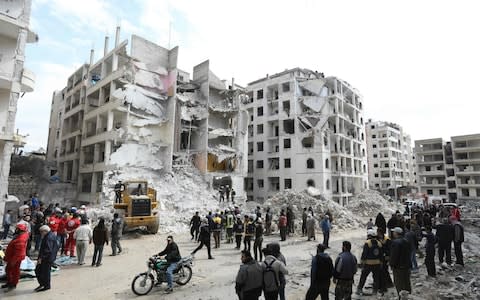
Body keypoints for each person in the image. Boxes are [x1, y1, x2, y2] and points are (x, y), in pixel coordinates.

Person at [2, 223, 29, 292]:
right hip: (14, 257)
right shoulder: (21, 236)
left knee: (14, 271)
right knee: (9, 270)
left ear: (20, 230)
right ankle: (10, 282)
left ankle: (12, 284)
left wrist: (13, 261)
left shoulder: (20, 240)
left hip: (15, 258)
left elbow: (18, 253)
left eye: (17, 229)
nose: (15, 230)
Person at [356, 229, 383, 296]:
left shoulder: (367, 243)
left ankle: (359, 289)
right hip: (377, 263)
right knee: (376, 278)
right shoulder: (379, 243)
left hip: (368, 264)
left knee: (363, 277)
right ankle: (375, 291)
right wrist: (381, 262)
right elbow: (381, 254)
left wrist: (362, 262)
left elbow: (364, 254)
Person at [35, 225, 59, 292]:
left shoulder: (49, 237)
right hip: (48, 257)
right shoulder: (50, 235)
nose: (41, 233)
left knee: (44, 272)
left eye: (41, 232)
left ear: (45, 231)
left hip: (47, 258)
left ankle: (46, 286)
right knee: (41, 271)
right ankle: (43, 284)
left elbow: (48, 250)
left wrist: (41, 258)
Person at [390, 227, 412, 295]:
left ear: (396, 233)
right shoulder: (406, 241)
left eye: (394, 232)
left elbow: (394, 255)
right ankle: (408, 296)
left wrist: (391, 264)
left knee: (399, 283)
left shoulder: (395, 242)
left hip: (398, 267)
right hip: (407, 266)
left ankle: (401, 297)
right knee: (406, 282)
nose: (393, 233)